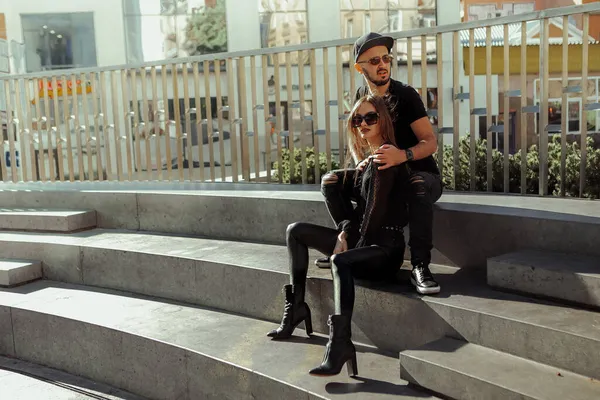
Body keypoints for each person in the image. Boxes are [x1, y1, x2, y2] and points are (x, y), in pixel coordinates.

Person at [267, 94, 410, 377]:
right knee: (295, 231)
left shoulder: (386, 157)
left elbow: (374, 214)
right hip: (364, 244)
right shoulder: (371, 160)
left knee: (340, 262)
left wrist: (345, 246)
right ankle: (296, 308)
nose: (363, 125)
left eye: (370, 118)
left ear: (383, 120)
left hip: (385, 250)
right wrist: (345, 229)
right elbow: (347, 200)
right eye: (358, 120)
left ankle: (340, 343)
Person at [316, 32, 443, 295]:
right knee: (330, 181)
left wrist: (403, 155)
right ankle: (349, 242)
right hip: (382, 175)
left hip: (418, 174)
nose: (382, 64)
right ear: (359, 67)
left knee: (417, 184)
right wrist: (362, 162)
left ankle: (420, 266)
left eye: (386, 58)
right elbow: (359, 136)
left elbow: (430, 143)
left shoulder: (406, 95)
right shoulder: (362, 95)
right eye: (374, 61)